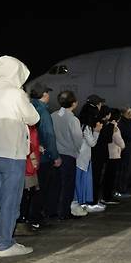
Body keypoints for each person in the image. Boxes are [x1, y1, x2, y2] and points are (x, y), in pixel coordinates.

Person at [0, 56, 40, 257]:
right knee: (10, 201)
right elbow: (33, 117)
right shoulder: (16, 93)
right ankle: (6, 244)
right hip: (11, 155)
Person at [28, 82, 62, 223]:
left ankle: (31, 216)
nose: (49, 95)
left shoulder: (29, 108)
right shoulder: (43, 112)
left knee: (33, 189)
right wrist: (55, 156)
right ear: (44, 95)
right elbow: (49, 135)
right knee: (44, 189)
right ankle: (37, 217)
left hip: (31, 156)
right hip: (44, 157)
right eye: (47, 93)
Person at [52, 90, 84, 220]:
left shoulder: (53, 115)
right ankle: (64, 212)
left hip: (55, 155)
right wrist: (78, 151)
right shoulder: (72, 119)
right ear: (74, 103)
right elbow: (77, 139)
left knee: (56, 185)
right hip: (68, 155)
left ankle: (53, 210)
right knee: (68, 186)